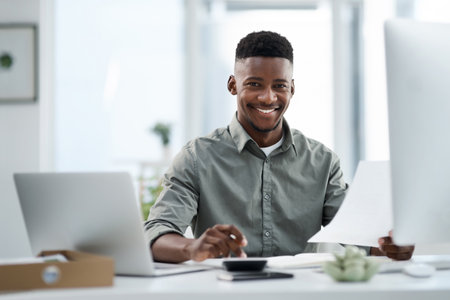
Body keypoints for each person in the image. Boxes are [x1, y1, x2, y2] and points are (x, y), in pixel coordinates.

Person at [144, 31, 414, 263]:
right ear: (232, 85)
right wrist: (192, 247)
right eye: (254, 84)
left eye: (279, 86)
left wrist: (390, 247)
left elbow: (357, 238)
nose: (268, 97)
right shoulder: (197, 158)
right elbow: (156, 232)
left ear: (292, 89)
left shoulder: (323, 162)